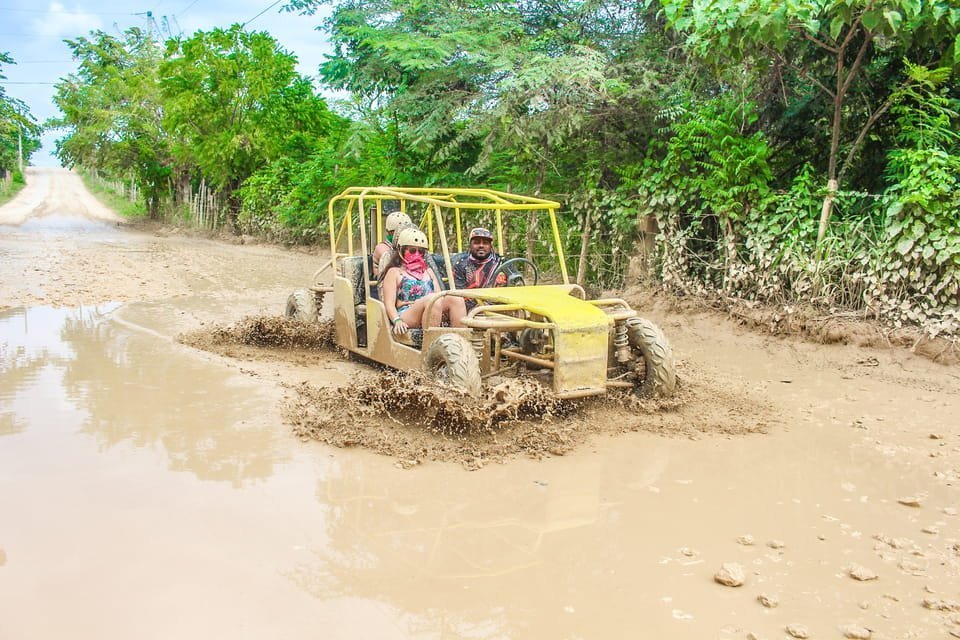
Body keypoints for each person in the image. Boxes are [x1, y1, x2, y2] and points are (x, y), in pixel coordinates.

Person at [381, 227, 466, 337]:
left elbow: (439, 296)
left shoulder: (429, 272)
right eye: (412, 250)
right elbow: (389, 303)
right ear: (401, 250)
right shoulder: (395, 272)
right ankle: (430, 343)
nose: (416, 254)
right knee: (432, 299)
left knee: (456, 298)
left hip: (432, 308)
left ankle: (462, 340)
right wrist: (396, 320)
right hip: (407, 313)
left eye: (420, 251)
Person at [372, 208, 412, 278]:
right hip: (385, 282)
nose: (401, 234)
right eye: (397, 231)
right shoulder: (382, 248)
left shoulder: (408, 245)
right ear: (388, 231)